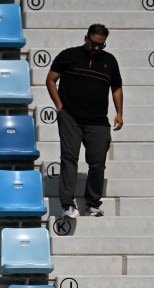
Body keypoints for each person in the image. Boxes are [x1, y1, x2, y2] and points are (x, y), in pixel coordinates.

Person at [45, 23, 124, 219]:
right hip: (70, 116)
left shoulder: (110, 61)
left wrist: (119, 113)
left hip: (98, 120)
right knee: (69, 157)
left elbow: (116, 88)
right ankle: (67, 204)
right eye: (94, 43)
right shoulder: (68, 55)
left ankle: (92, 204)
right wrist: (59, 106)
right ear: (86, 38)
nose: (97, 48)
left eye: (101, 45)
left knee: (98, 162)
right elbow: (50, 80)